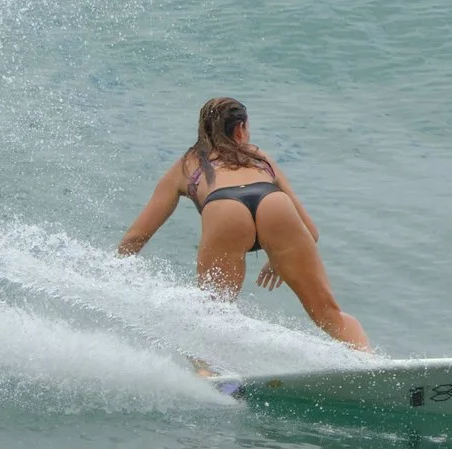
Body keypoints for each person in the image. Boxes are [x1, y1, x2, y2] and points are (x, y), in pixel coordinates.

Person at [117, 97, 371, 350]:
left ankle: (210, 377)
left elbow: (135, 237)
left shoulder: (186, 165)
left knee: (211, 317)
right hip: (273, 203)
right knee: (330, 315)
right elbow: (311, 232)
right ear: (240, 129)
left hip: (224, 209)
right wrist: (279, 258)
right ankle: (371, 364)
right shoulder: (259, 157)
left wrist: (115, 277)